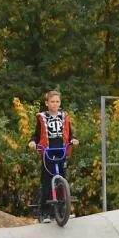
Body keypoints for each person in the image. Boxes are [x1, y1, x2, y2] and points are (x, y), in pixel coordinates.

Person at [26, 90, 79, 223]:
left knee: (62, 178)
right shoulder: (42, 117)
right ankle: (44, 212)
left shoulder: (64, 116)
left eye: (57, 101)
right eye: (52, 101)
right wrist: (33, 142)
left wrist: (73, 140)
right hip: (47, 152)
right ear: (47, 103)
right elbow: (36, 135)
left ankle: (62, 211)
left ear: (60, 103)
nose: (55, 104)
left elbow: (70, 133)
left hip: (61, 150)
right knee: (46, 181)